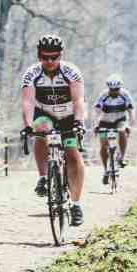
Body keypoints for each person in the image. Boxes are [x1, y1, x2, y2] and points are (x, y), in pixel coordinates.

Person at [20, 34, 86, 226]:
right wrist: (26, 125)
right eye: (44, 57)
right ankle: (43, 177)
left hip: (68, 116)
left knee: (72, 154)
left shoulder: (71, 72)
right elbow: (28, 101)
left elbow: (78, 100)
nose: (49, 61)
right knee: (39, 131)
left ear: (61, 55)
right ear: (38, 56)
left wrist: (79, 122)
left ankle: (76, 204)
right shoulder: (31, 73)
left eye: (54, 57)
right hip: (44, 113)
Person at [93, 74, 135, 182]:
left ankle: (122, 157)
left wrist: (130, 125)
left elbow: (131, 111)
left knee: (122, 131)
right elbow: (97, 111)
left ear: (120, 88)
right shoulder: (103, 95)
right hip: (105, 121)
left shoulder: (125, 94)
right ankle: (106, 170)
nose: (114, 92)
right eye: (112, 89)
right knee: (103, 146)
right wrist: (96, 124)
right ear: (108, 88)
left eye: (116, 89)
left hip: (120, 120)